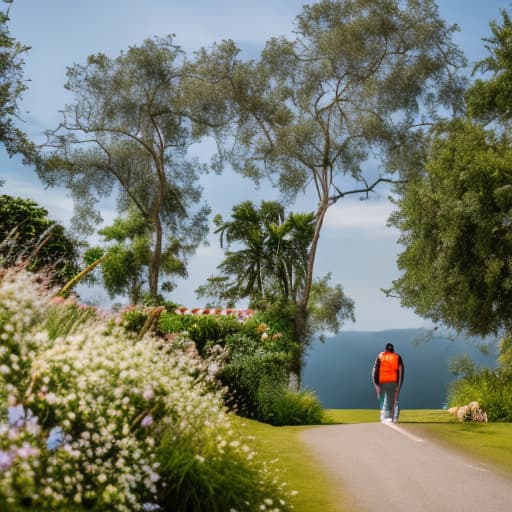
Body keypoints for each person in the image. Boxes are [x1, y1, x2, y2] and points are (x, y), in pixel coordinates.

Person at [372, 342, 404, 423]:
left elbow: (375, 371)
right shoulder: (397, 357)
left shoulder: (380, 356)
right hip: (393, 382)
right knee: (393, 400)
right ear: (393, 350)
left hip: (381, 381)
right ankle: (393, 417)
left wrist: (376, 385)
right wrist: (399, 387)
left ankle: (384, 417)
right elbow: (401, 372)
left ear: (385, 349)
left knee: (383, 400)